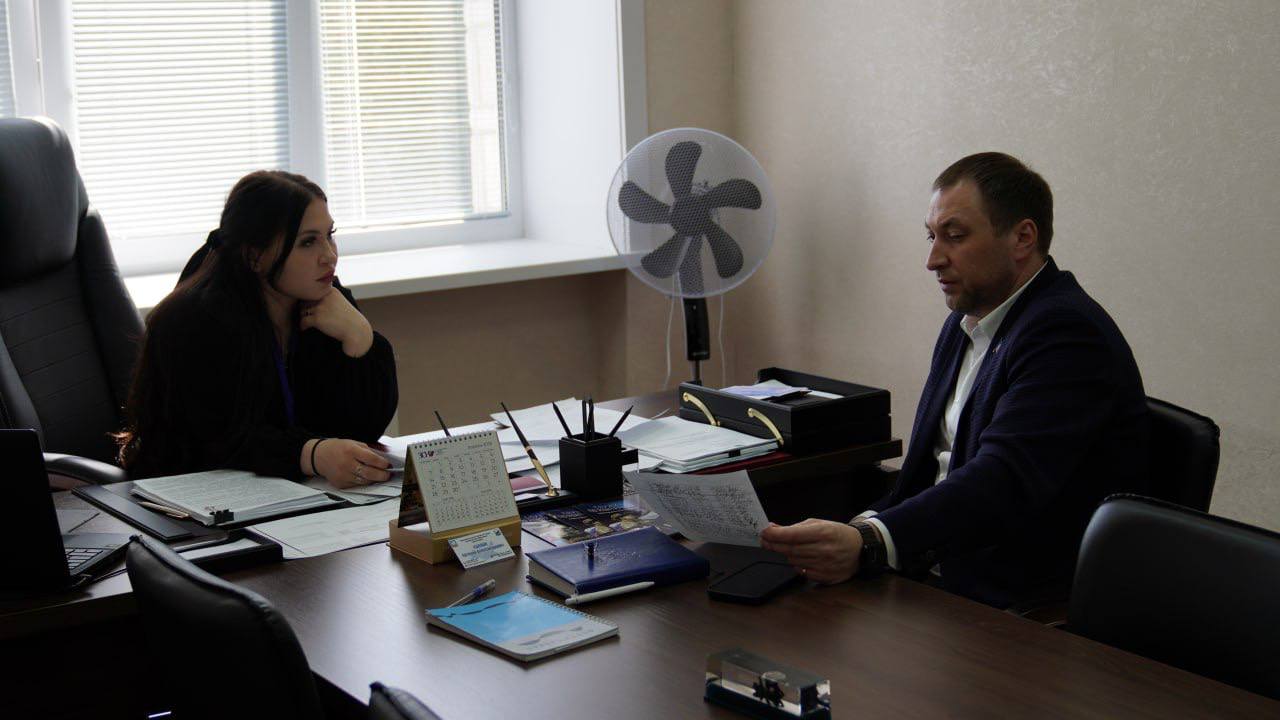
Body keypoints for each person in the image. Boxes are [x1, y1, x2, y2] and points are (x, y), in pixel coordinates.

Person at [761, 152, 1149, 608]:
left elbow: (1002, 481)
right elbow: (928, 471)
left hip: (1013, 601)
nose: (932, 260)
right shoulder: (966, 320)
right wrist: (857, 530)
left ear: (1022, 238)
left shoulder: (1066, 333)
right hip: (937, 568)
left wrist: (869, 541)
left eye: (955, 236)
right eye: (932, 236)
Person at [117, 170, 398, 488]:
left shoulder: (325, 301)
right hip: (188, 496)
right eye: (308, 242)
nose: (329, 255)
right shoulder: (196, 320)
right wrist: (311, 454)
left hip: (289, 492)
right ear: (254, 256)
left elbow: (363, 429)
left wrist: (360, 338)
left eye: (329, 235)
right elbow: (218, 438)